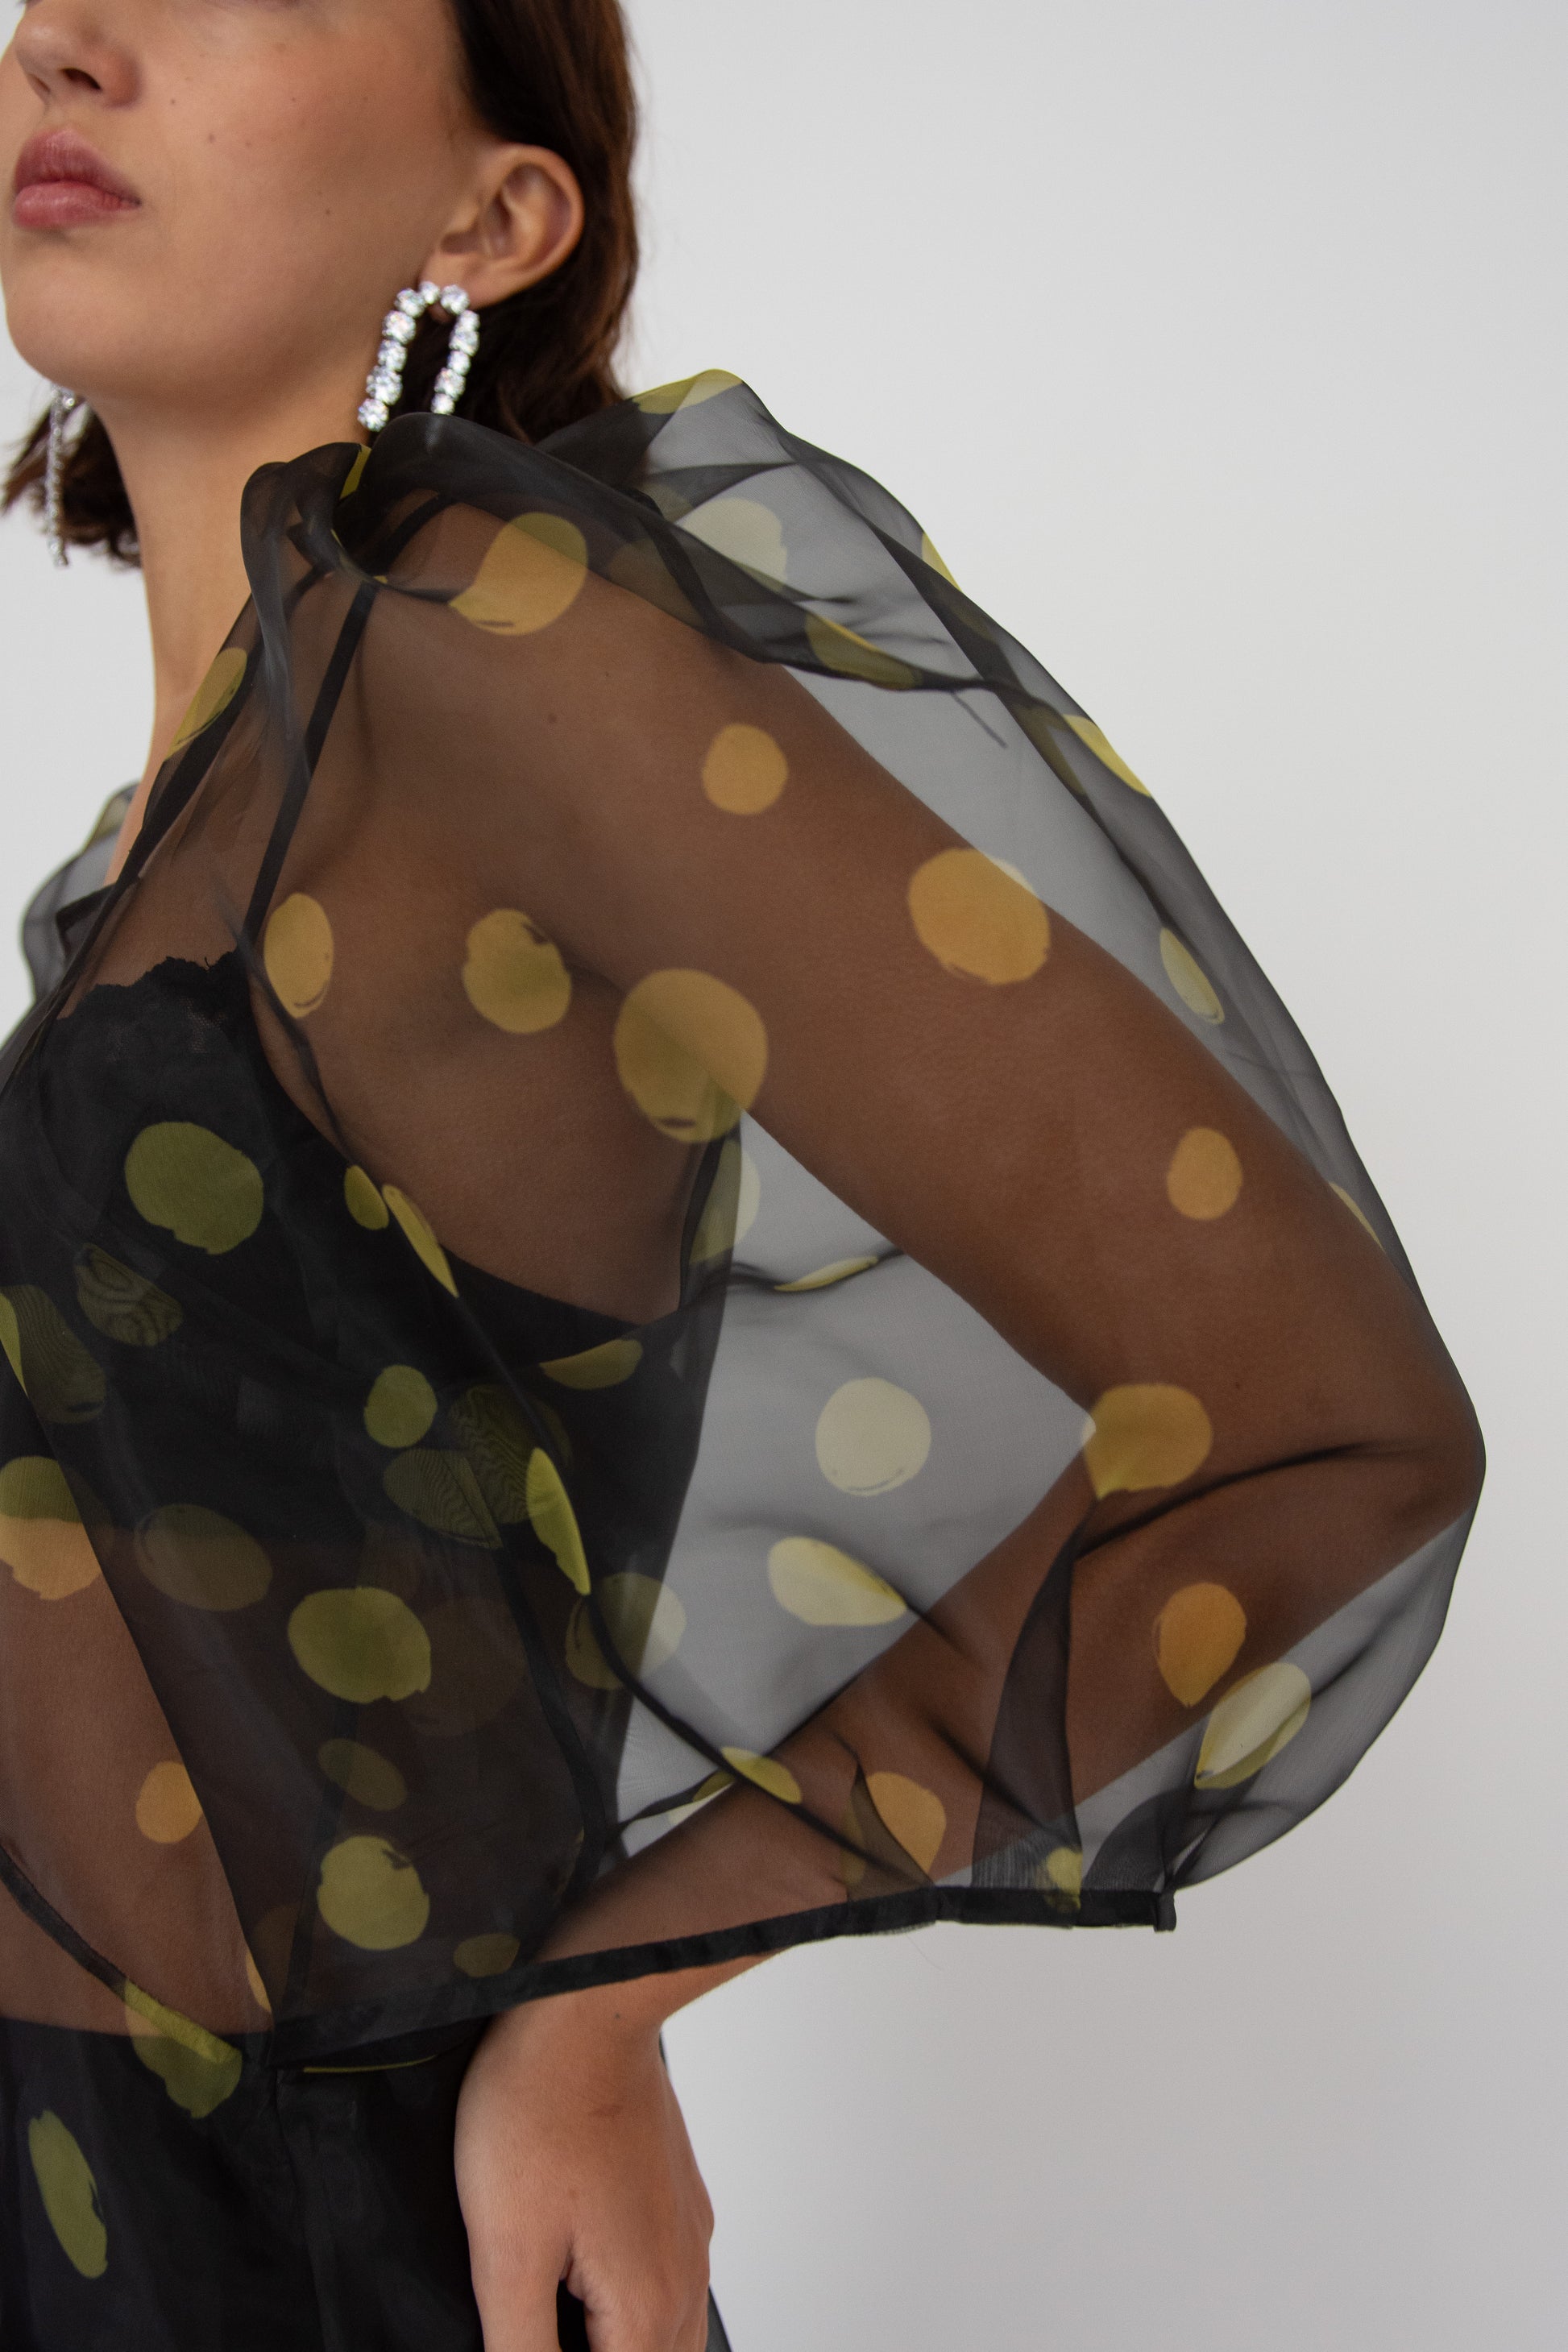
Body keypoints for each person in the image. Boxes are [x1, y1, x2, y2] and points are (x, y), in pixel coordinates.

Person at [0, 1, 1483, 2346]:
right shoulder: (159, 841)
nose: (68, 41)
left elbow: (1314, 1421)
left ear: (494, 215)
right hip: (97, 2179)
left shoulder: (488, 658)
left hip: (305, 2224)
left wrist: (602, 2010)